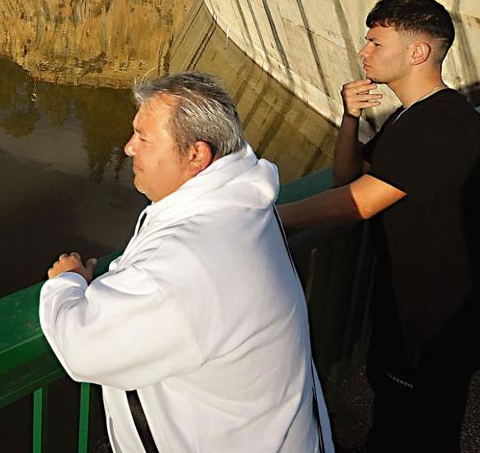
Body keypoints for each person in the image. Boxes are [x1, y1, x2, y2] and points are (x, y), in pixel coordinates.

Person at [40, 72, 333, 453]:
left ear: (196, 155)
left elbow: (81, 348)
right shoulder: (245, 207)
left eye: (143, 138)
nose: (129, 148)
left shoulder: (185, 264)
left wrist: (66, 283)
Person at [278, 0, 480, 452]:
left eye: (375, 43)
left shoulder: (440, 126)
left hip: (438, 317)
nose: (363, 52)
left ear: (417, 52)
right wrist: (350, 117)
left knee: (413, 431)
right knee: (407, 422)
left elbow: (357, 202)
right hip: (424, 307)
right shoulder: (416, 116)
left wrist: (267, 216)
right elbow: (350, 175)